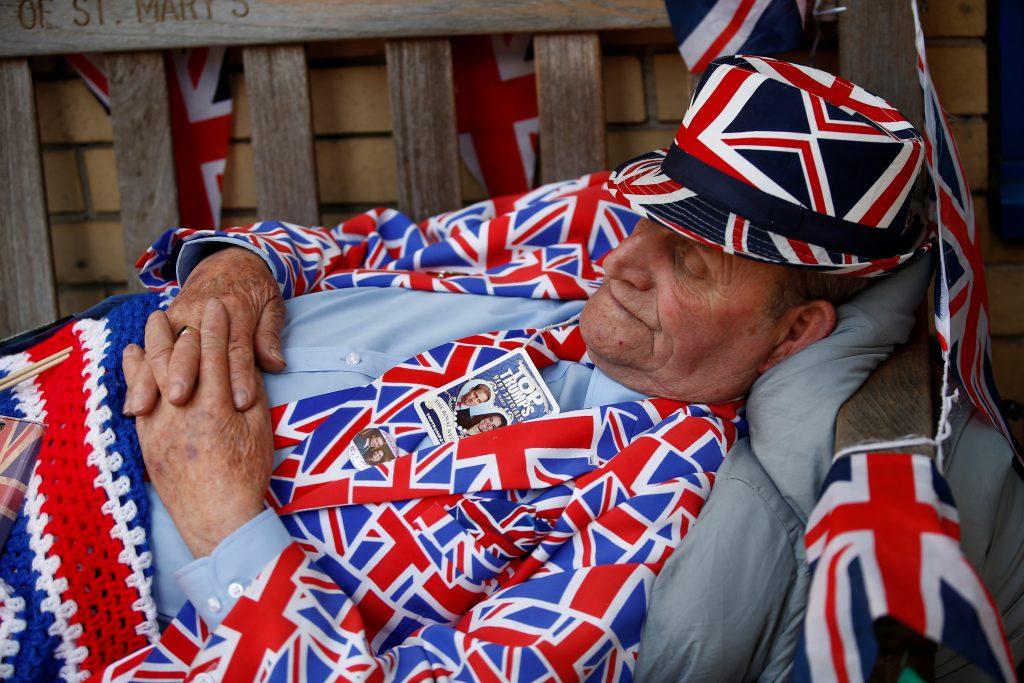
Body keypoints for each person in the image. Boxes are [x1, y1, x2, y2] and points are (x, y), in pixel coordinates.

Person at [0, 56, 1017, 680]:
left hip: (67, 573)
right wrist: (238, 268)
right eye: (648, 217)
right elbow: (371, 243)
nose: (621, 262)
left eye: (689, 262)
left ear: (793, 335)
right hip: (57, 377)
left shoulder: (642, 511)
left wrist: (227, 521)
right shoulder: (588, 236)